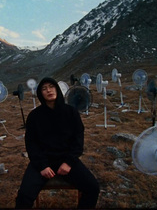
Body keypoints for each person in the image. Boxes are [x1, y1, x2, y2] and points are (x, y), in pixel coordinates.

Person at [15, 77, 100, 209]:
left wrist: (69, 162)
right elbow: (31, 144)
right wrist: (42, 166)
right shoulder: (34, 116)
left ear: (57, 89)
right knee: (24, 196)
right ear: (40, 94)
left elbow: (78, 140)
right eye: (44, 88)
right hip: (42, 162)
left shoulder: (71, 112)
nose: (49, 90)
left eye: (51, 86)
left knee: (93, 188)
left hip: (66, 160)